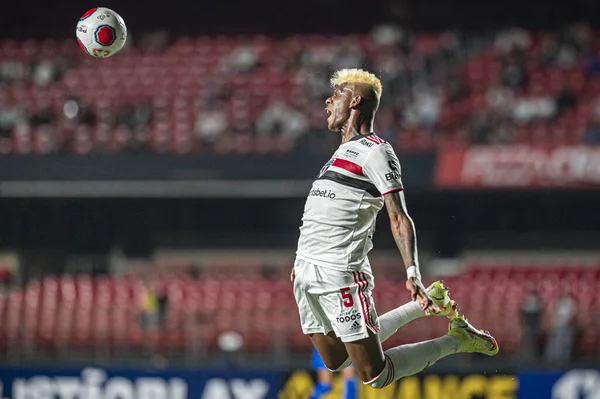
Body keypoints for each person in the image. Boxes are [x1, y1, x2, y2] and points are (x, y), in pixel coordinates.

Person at [291, 68, 498, 390]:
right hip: (306, 270)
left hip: (339, 273)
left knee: (374, 375)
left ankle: (458, 340)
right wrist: (300, 260)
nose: (328, 101)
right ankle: (422, 307)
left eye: (337, 94)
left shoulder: (376, 151)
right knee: (333, 360)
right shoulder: (337, 154)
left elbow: (398, 216)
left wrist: (412, 271)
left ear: (355, 100)